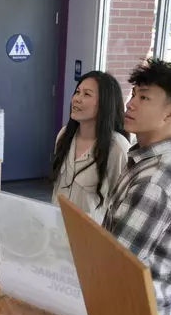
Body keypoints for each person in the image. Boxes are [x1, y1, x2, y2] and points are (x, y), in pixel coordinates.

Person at [102, 58, 171, 315]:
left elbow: (114, 263)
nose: (130, 103)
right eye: (133, 94)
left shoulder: (155, 180)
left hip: (135, 312)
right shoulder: (144, 159)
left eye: (144, 97)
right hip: (127, 298)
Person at [51, 71, 130, 223]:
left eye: (87, 94)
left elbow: (123, 206)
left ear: (105, 103)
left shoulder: (118, 148)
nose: (77, 99)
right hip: (57, 230)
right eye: (77, 92)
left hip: (91, 240)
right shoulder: (64, 135)